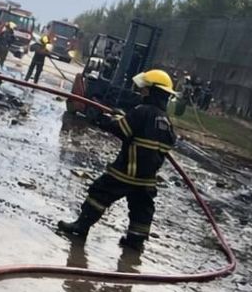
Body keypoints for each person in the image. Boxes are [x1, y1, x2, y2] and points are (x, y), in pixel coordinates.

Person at [57, 68, 177, 250]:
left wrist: (101, 119)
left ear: (152, 91)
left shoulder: (142, 111)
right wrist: (123, 117)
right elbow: (164, 140)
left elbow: (121, 129)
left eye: (145, 89)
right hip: (146, 178)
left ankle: (81, 226)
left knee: (99, 193)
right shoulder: (166, 121)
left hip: (126, 171)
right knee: (142, 209)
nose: (141, 92)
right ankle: (135, 242)